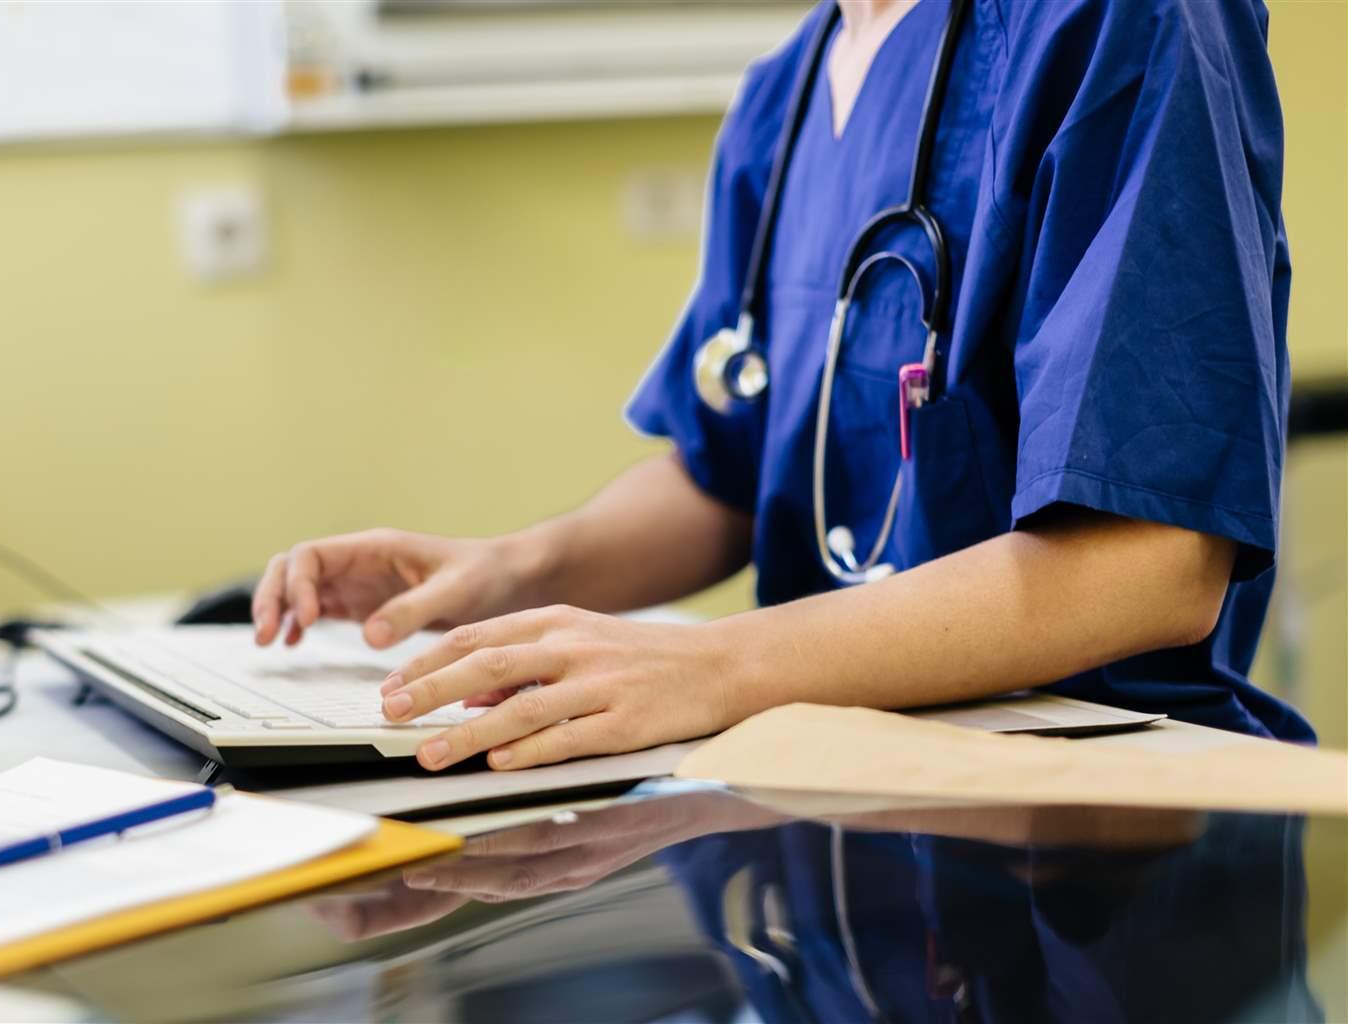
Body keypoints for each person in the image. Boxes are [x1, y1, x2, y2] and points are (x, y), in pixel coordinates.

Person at [252, 0, 1312, 773]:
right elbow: (728, 474)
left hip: (1097, 823)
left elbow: (1150, 563)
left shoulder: (1128, 23)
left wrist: (708, 667)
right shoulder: (786, 89)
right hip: (839, 789)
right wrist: (507, 573)